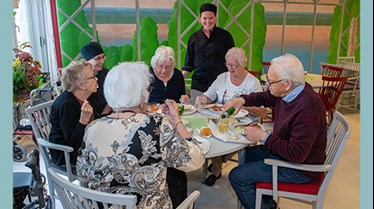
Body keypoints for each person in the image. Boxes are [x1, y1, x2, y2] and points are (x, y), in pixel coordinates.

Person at [76, 62, 205, 209]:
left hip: (103, 205)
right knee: (177, 175)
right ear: (141, 94)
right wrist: (176, 122)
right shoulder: (155, 124)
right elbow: (196, 160)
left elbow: (82, 174)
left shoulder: (92, 127)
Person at [223, 54, 327, 209]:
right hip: (288, 154)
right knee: (246, 153)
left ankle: (264, 205)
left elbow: (296, 154)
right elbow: (265, 97)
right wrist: (242, 100)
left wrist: (264, 137)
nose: (267, 86)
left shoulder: (307, 107)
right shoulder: (291, 91)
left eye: (270, 82)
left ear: (287, 83)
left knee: (237, 177)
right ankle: (263, 199)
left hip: (302, 168)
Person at [195, 47, 267, 186]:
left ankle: (217, 164)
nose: (230, 69)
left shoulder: (252, 83)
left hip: (244, 124)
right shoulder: (221, 78)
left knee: (229, 140)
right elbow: (208, 96)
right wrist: (201, 99)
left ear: (243, 64)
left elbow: (262, 112)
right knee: (213, 135)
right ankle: (216, 170)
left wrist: (246, 107)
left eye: (234, 65)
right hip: (222, 121)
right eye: (228, 64)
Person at [148, 45, 190, 207]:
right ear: (154, 65)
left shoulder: (177, 75)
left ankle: (175, 170)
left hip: (173, 119)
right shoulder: (149, 75)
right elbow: (142, 100)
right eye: (160, 66)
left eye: (168, 67)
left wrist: (184, 98)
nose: (164, 70)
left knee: (178, 147)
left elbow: (181, 96)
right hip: (153, 120)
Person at [182, 3, 235, 103]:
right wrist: (177, 79)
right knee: (197, 113)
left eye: (210, 18)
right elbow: (188, 64)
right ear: (200, 18)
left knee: (219, 113)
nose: (207, 21)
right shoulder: (194, 38)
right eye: (204, 18)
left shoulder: (225, 36)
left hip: (220, 85)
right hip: (198, 85)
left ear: (215, 18)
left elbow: (232, 61)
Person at [49, 60, 97, 166]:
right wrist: (83, 120)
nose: (96, 79)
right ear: (81, 84)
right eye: (93, 77)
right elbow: (72, 142)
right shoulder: (66, 105)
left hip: (83, 145)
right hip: (66, 153)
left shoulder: (86, 97)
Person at [80, 41, 111, 118]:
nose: (102, 61)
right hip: (88, 116)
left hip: (107, 114)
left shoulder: (107, 74)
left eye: (103, 57)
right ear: (87, 60)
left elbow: (112, 97)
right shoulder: (80, 77)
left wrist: (104, 115)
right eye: (98, 58)